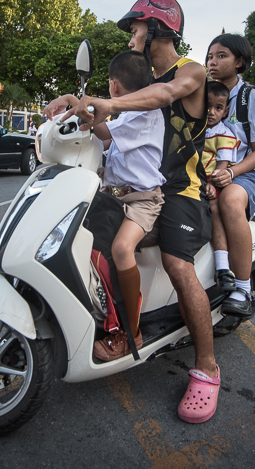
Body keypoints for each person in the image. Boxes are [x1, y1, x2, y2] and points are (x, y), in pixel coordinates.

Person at [43, 0, 221, 424]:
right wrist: (74, 101)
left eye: (136, 28)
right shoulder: (137, 78)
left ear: (158, 28)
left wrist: (110, 104)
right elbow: (108, 119)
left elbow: (164, 94)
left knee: (178, 266)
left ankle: (207, 368)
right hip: (129, 187)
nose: (131, 35)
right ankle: (107, 323)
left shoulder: (189, 72)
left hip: (181, 189)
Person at [90, 50, 166, 361]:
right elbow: (105, 142)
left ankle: (131, 333)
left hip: (143, 201)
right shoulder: (129, 114)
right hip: (113, 196)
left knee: (121, 249)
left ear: (114, 86)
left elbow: (103, 131)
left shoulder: (144, 115)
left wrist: (80, 104)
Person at [205, 34, 255, 321]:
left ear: (239, 62)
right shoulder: (203, 93)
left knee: (230, 201)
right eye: (210, 56)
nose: (213, 62)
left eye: (222, 56)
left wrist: (230, 172)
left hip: (245, 174)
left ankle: (242, 289)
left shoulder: (250, 98)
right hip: (207, 170)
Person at [202, 81, 241, 290]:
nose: (211, 112)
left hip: (211, 182)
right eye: (208, 106)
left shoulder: (225, 135)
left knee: (215, 208)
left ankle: (222, 267)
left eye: (218, 108)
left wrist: (209, 184)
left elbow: (221, 168)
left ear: (225, 111)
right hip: (190, 180)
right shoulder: (193, 130)